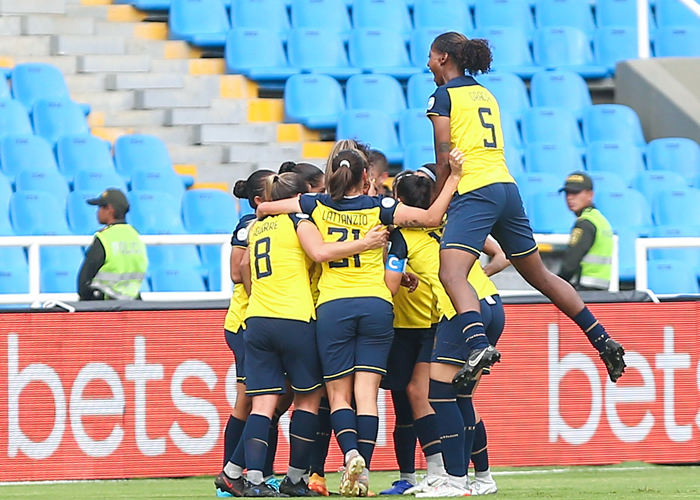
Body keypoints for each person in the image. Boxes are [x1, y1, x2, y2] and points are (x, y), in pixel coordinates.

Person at [255, 147, 464, 497]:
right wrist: (454, 177)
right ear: (366, 178)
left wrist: (286, 204)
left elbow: (265, 207)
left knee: (339, 396)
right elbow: (430, 218)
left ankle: (349, 453)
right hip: (378, 305)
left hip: (334, 307)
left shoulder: (316, 205)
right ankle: (362, 472)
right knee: (367, 395)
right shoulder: (380, 209)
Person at [425, 31, 626, 386]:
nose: (427, 64)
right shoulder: (485, 93)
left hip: (474, 191)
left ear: (443, 58)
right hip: (507, 189)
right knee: (541, 277)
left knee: (451, 273)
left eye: (430, 57)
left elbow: (444, 159)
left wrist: (437, 205)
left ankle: (477, 344)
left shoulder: (443, 96)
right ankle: (601, 339)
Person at [217, 172, 388, 497]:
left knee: (262, 404)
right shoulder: (300, 223)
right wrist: (365, 243)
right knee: (309, 398)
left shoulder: (256, 227)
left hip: (258, 319)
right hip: (295, 318)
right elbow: (322, 254)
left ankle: (249, 480)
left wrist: (260, 301)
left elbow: (244, 272)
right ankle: (295, 478)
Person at [384, 172, 506, 497]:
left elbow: (390, 285)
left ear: (401, 201)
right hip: (491, 303)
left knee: (439, 396)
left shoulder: (403, 236)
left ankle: (453, 481)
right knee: (462, 396)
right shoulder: (454, 221)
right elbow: (501, 253)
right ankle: (483, 478)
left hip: (460, 310)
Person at [218, 170, 274, 497]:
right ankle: (231, 475)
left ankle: (258, 473)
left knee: (270, 401)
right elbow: (236, 272)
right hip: (245, 323)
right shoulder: (248, 226)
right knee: (250, 402)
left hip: (259, 321)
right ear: (259, 200)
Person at [77, 188, 147, 300]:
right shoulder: (135, 236)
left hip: (105, 306)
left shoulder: (105, 238)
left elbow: (84, 282)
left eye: (100, 207)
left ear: (109, 209)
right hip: (131, 304)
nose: (97, 212)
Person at [557, 172, 614, 291]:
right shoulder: (600, 220)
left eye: (575, 192)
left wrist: (554, 288)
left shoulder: (584, 223)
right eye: (567, 193)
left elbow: (570, 264)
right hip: (601, 289)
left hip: (585, 290)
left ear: (590, 195)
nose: (569, 197)